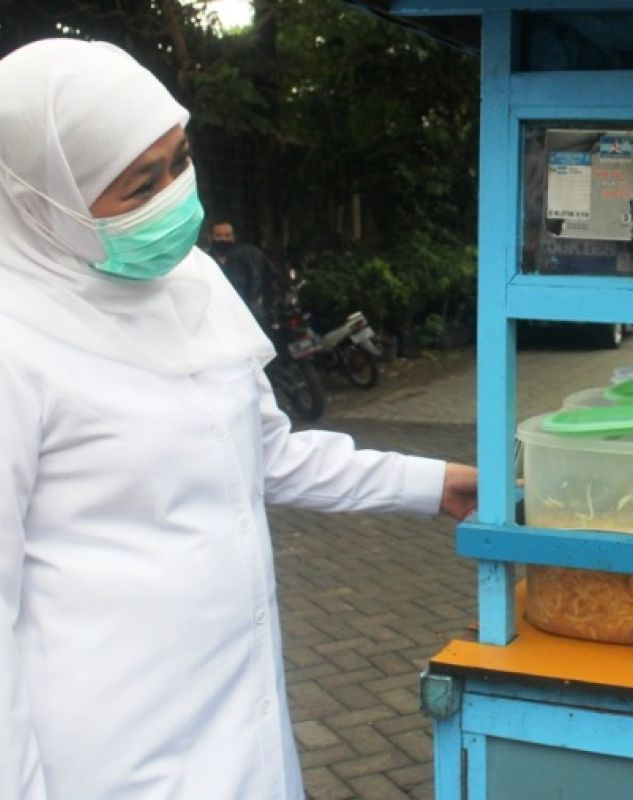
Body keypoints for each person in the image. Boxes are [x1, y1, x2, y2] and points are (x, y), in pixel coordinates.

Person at [0, 39, 477, 799]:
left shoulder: (190, 283)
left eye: (179, 161)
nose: (172, 198)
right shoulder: (15, 343)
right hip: (99, 751)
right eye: (139, 185)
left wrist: (431, 482)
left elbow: (263, 454)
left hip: (239, 710)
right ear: (42, 199)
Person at [207, 219, 279, 327]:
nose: (223, 239)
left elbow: (271, 279)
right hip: (217, 316)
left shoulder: (250, 254)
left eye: (227, 235)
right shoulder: (205, 260)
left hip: (249, 313)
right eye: (218, 235)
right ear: (210, 237)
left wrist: (264, 305)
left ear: (233, 237)